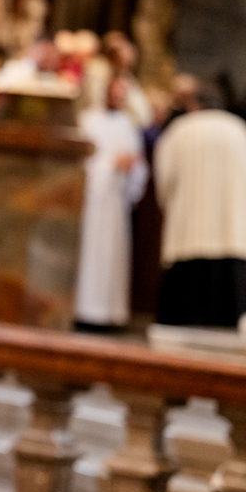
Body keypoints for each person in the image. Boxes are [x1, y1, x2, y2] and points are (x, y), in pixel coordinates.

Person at [154, 84, 246, 327]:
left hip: (189, 231)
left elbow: (164, 177)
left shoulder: (181, 129)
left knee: (184, 314)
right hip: (232, 233)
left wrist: (168, 204)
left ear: (194, 105)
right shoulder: (239, 130)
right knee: (228, 316)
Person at [74, 78, 149, 330]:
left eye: (121, 95)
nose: (116, 99)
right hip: (92, 201)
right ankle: (85, 311)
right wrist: (111, 163)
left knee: (113, 258)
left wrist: (132, 166)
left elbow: (138, 163)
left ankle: (109, 314)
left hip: (116, 203)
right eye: (113, 93)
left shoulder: (128, 124)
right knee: (90, 256)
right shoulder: (88, 120)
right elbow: (81, 159)